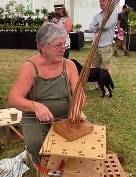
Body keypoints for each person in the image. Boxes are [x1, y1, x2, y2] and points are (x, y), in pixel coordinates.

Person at [8, 23, 84, 165]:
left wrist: (77, 106)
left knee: (81, 142)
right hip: (35, 117)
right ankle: (43, 167)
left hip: (65, 116)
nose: (63, 49)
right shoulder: (30, 67)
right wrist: (35, 106)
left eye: (64, 44)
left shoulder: (69, 65)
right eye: (58, 45)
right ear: (43, 46)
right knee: (37, 143)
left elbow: (79, 93)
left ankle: (66, 164)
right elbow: (13, 98)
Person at [89, 0, 117, 89]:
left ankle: (107, 87)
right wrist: (100, 25)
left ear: (109, 2)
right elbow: (91, 27)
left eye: (103, 1)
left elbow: (107, 25)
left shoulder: (113, 13)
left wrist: (99, 25)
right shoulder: (97, 15)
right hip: (95, 44)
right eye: (100, 1)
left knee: (106, 67)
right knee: (95, 67)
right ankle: (98, 85)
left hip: (105, 45)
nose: (101, 3)